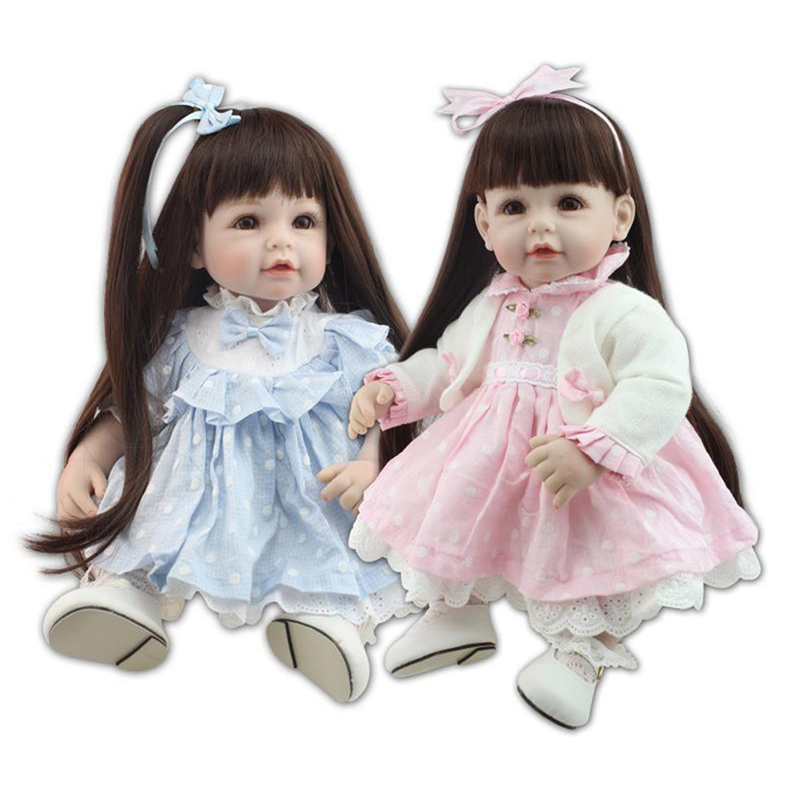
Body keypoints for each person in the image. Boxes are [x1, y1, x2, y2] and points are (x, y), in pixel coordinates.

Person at [347, 66, 761, 727]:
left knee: (587, 552)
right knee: (460, 518)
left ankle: (579, 654)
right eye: (515, 207)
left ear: (619, 214)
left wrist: (596, 447)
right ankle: (457, 614)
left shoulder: (621, 310)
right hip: (487, 457)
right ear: (484, 222)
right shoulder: (492, 305)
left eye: (568, 203)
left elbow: (659, 384)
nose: (541, 226)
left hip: (582, 469)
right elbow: (449, 364)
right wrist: (394, 389)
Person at [30, 78, 413, 703]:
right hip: (189, 500)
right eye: (248, 221)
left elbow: (391, 410)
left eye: (304, 220)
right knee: (149, 536)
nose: (281, 240)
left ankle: (328, 623)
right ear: (193, 245)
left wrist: (373, 464)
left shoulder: (345, 341)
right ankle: (125, 602)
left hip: (312, 500)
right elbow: (135, 410)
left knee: (332, 554)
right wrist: (88, 456)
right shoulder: (181, 339)